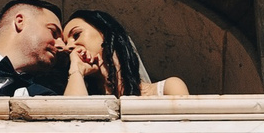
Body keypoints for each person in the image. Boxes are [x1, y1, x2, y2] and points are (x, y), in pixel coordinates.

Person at [58, 8, 190, 97]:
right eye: (65, 44)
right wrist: (76, 71)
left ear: (105, 33)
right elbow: (74, 125)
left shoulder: (167, 89)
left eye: (76, 35)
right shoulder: (83, 95)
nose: (69, 47)